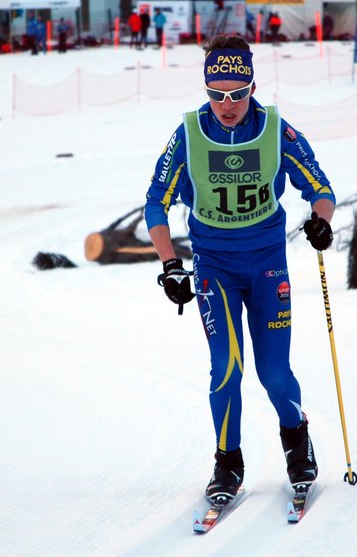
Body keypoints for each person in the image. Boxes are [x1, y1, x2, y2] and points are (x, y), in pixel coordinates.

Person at [144, 33, 336, 501]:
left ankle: (296, 439)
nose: (226, 105)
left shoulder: (274, 128)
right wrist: (171, 264)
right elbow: (155, 202)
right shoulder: (189, 133)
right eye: (216, 94)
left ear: (252, 86)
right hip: (215, 267)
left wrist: (321, 222)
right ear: (205, 89)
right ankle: (227, 461)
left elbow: (320, 187)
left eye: (236, 93)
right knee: (227, 368)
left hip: (268, 265)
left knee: (273, 375)